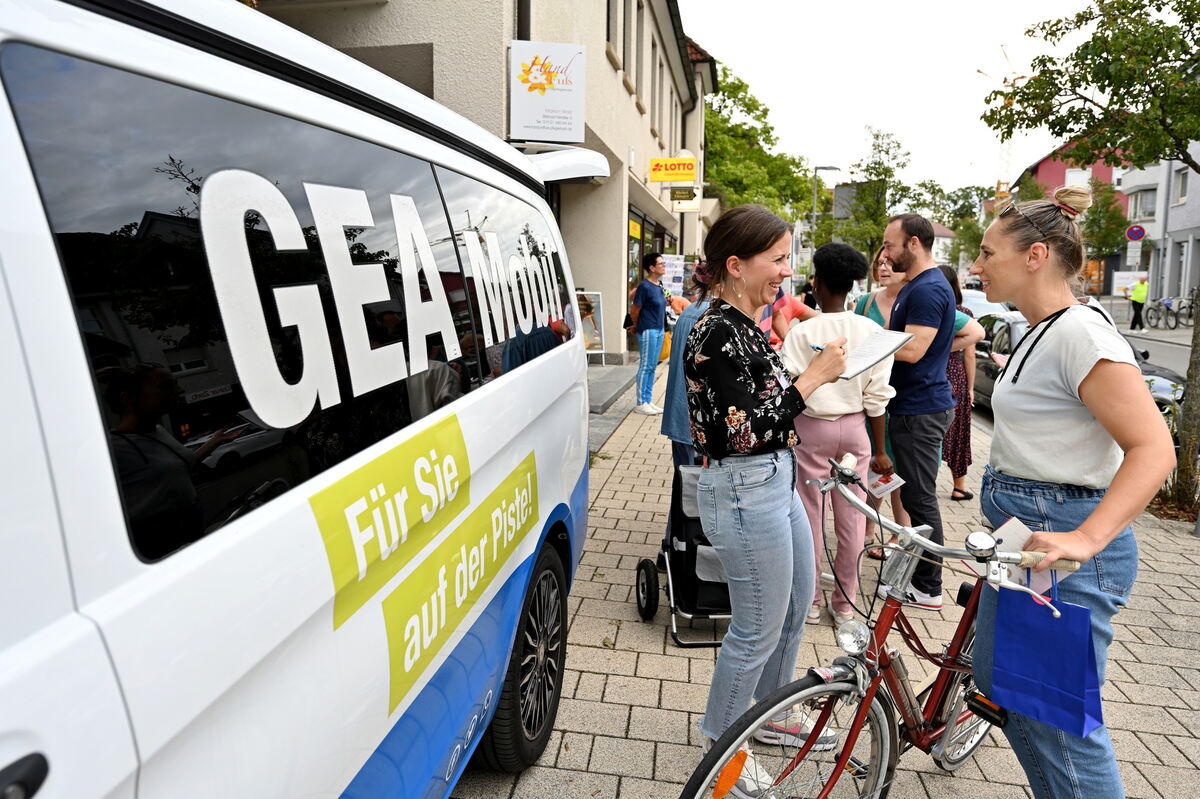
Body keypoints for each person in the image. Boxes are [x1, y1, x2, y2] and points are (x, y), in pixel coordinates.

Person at [968, 185, 1174, 799]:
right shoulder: (1042, 329)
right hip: (1028, 549)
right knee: (1009, 693)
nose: (977, 265)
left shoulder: (1082, 335)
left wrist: (1085, 537)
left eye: (987, 252)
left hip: (1064, 557)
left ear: (1035, 256)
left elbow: (1154, 449)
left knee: (1060, 723)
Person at [684, 204, 847, 794]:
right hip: (745, 486)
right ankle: (723, 746)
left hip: (775, 480)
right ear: (736, 264)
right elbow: (743, 431)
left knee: (797, 601)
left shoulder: (745, 322)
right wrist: (814, 377)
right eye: (777, 259)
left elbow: (764, 405)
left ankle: (770, 712)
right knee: (756, 626)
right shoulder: (715, 330)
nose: (786, 270)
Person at [780, 243, 895, 626]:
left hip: (810, 428)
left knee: (809, 516)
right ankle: (845, 604)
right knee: (853, 519)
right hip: (856, 428)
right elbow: (878, 397)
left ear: (817, 284)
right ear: (851, 285)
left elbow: (790, 386)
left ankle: (810, 601)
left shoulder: (801, 332)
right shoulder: (872, 331)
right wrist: (880, 449)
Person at [878, 213, 958, 610]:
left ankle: (928, 587)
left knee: (920, 500)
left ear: (913, 243)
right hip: (914, 407)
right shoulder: (918, 285)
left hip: (920, 410)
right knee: (913, 497)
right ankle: (918, 576)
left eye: (889, 245)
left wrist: (868, 346)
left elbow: (913, 349)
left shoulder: (927, 289)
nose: (885, 254)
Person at [855, 248, 912, 556]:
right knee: (873, 467)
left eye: (891, 263)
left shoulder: (915, 301)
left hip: (903, 397)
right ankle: (868, 529)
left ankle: (898, 535)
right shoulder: (866, 302)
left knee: (898, 471)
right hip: (871, 398)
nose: (884, 268)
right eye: (879, 263)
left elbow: (973, 331)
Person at [938, 265, 977, 501]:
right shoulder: (963, 313)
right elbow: (969, 355)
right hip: (955, 376)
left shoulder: (930, 311)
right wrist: (970, 388)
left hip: (931, 373)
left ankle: (925, 479)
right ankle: (959, 486)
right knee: (959, 429)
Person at [629, 252, 668, 415]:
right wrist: (637, 326)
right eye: (661, 263)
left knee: (652, 366)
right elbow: (635, 310)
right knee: (646, 366)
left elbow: (666, 302)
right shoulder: (644, 287)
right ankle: (640, 403)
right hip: (648, 329)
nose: (664, 266)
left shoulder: (659, 285)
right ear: (651, 268)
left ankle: (648, 400)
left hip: (659, 329)